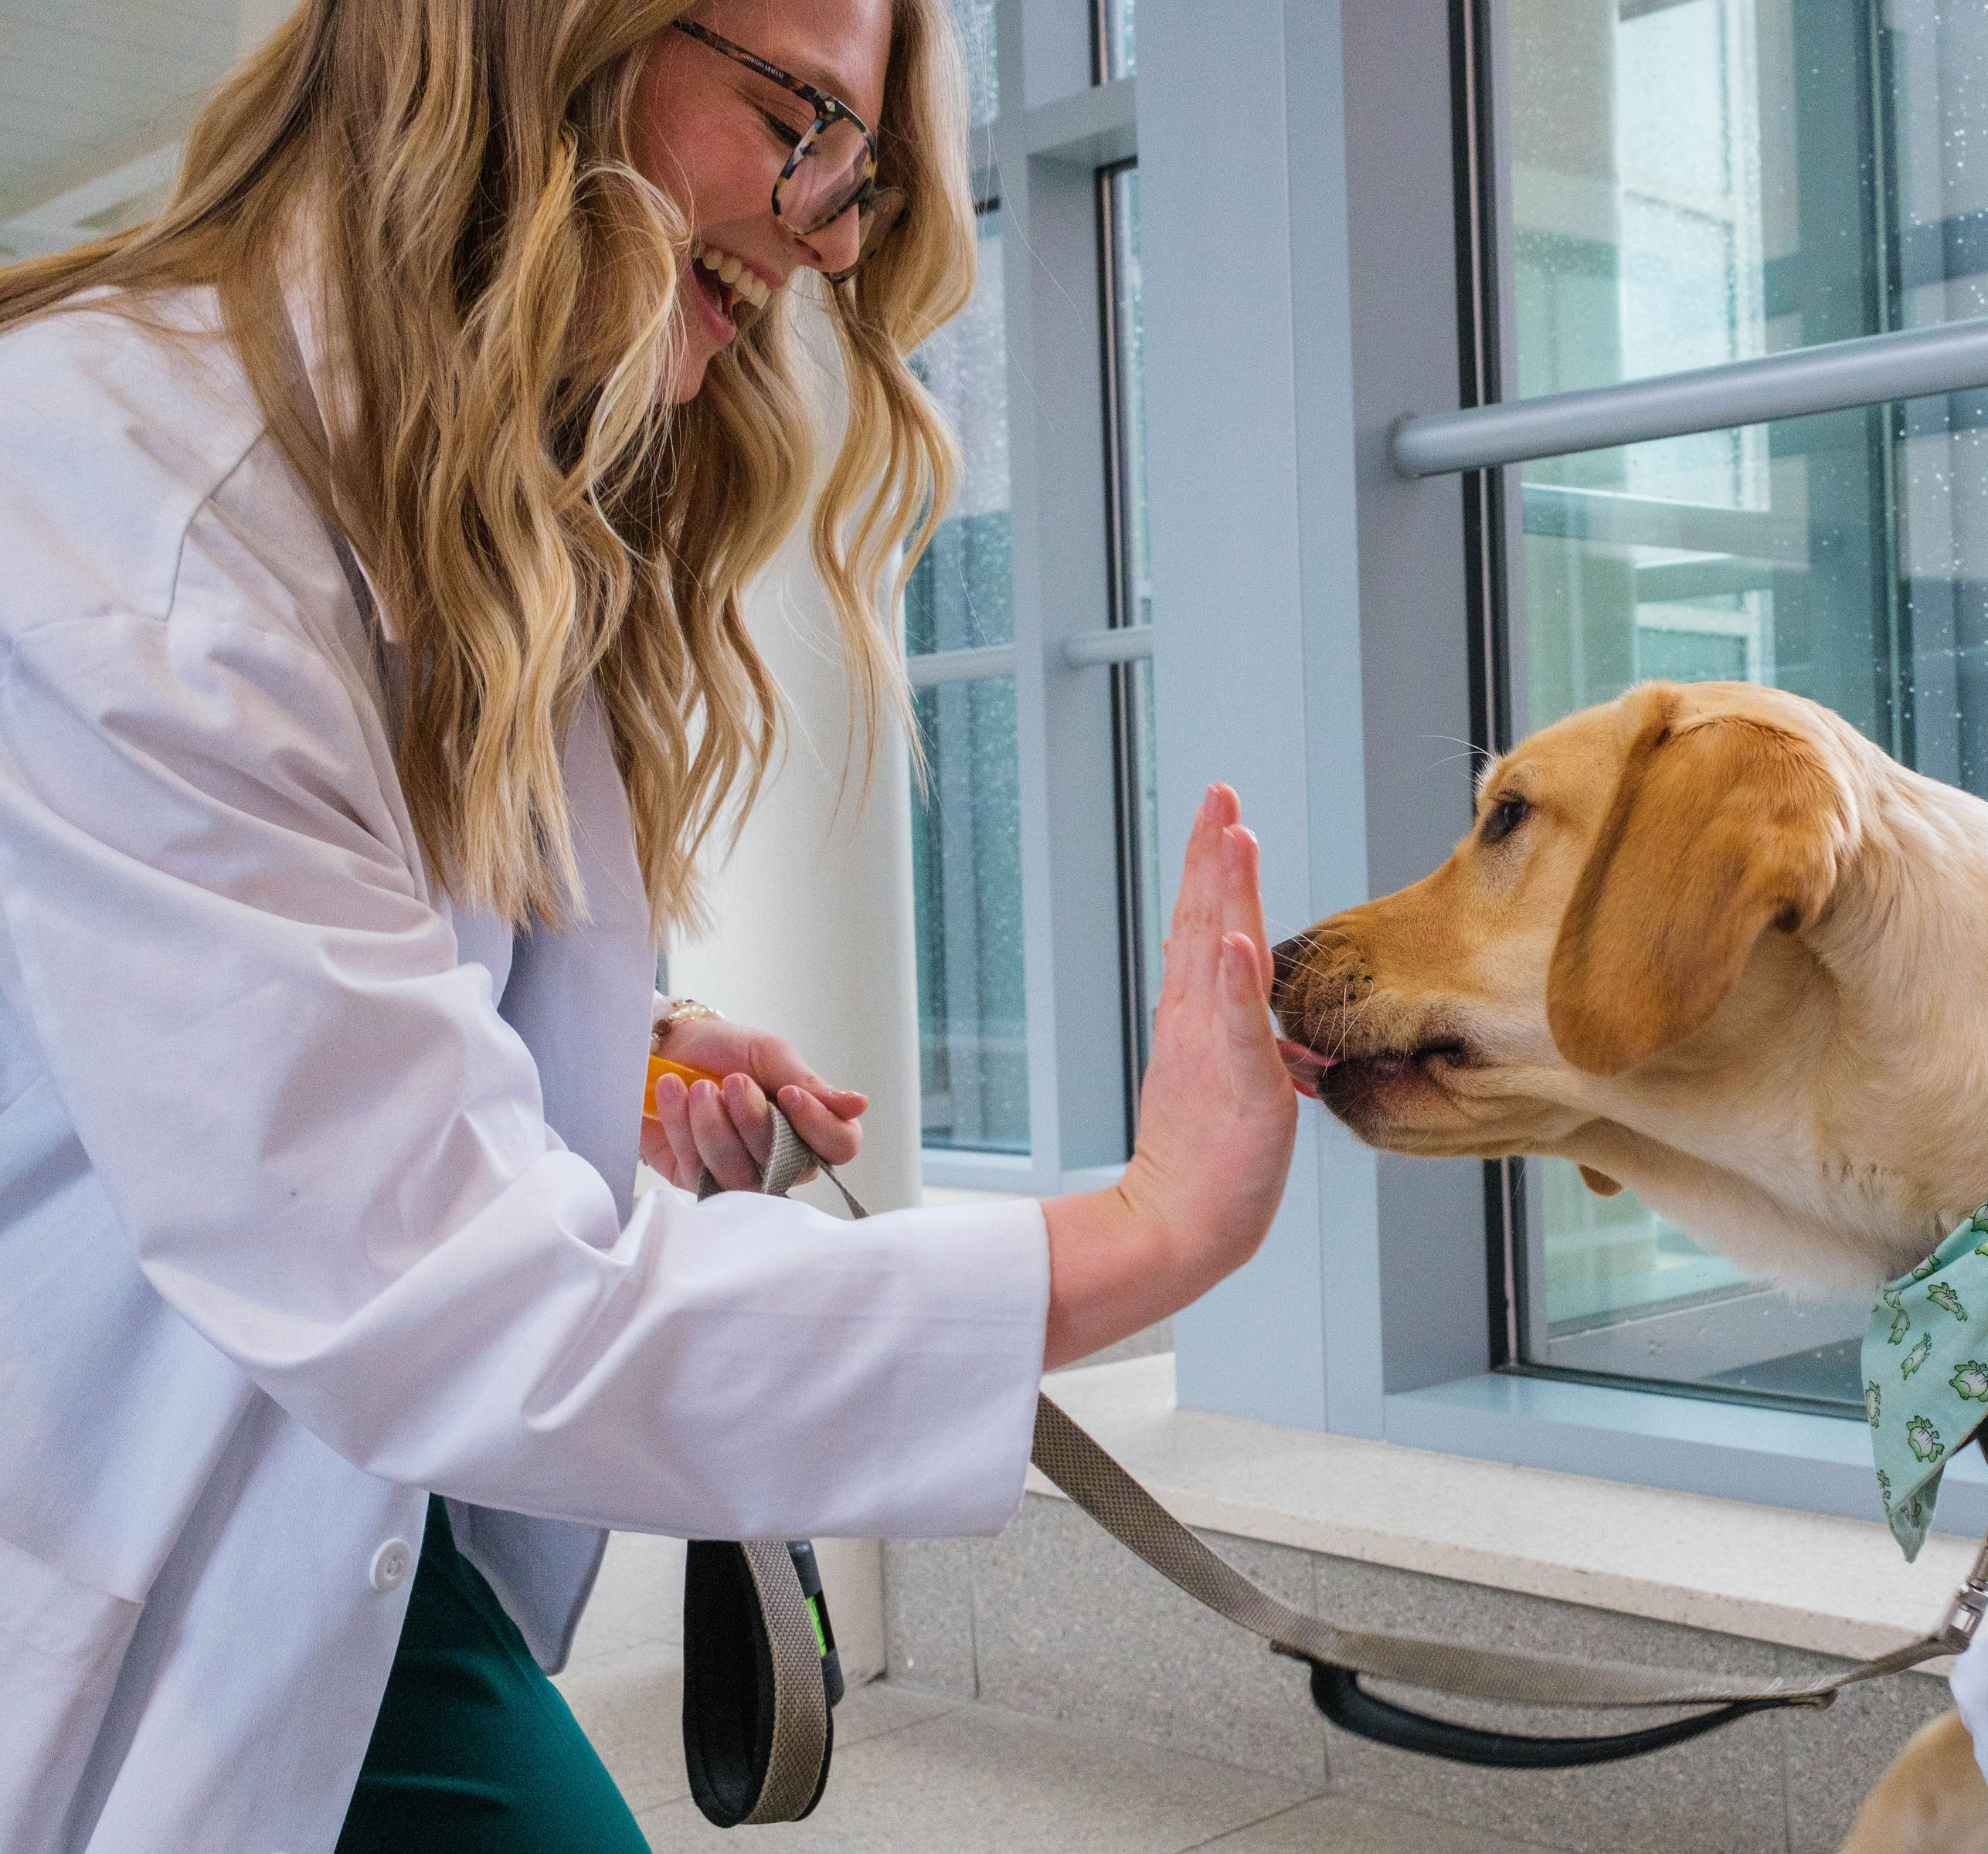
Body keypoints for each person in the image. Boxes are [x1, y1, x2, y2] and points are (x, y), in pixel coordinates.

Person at [0, 2, 1300, 1849]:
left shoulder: (434, 495)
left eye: (862, 178)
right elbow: (464, 1303)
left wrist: (595, 1055)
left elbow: (269, 984)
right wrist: (1147, 1232)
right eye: (803, 124)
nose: (832, 236)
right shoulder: (144, 531)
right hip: (130, 1521)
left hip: (321, 1493)